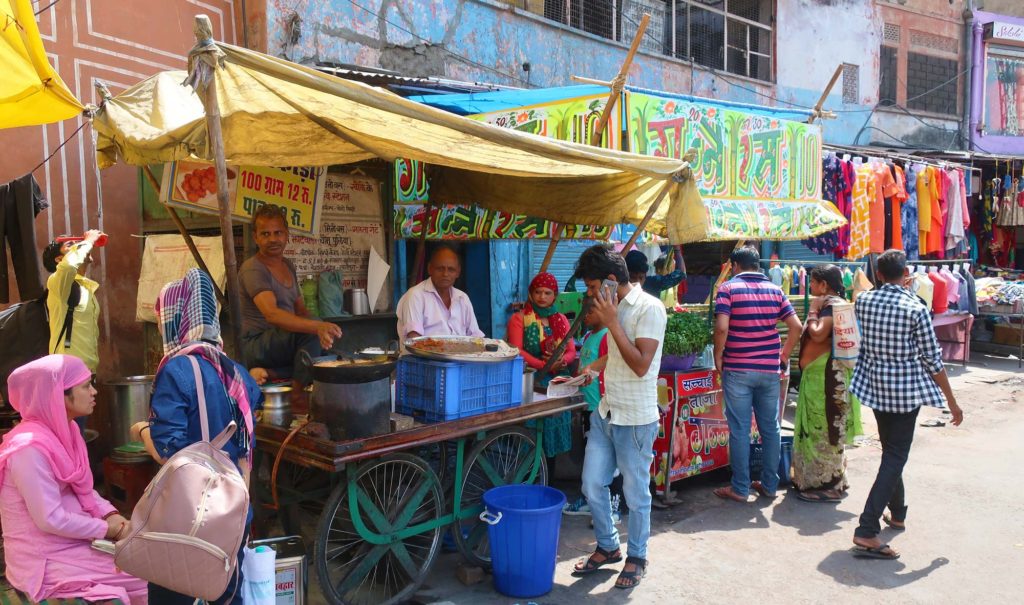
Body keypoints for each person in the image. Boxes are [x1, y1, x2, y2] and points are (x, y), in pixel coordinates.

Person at [131, 268, 263, 604]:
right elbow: (247, 448)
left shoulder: (176, 369)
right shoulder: (236, 372)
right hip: (232, 509)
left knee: (170, 590)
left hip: (188, 510)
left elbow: (168, 451)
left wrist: (142, 430)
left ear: (172, 322)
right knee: (226, 591)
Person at [0, 355, 146, 604]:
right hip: (44, 560)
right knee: (149, 580)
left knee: (156, 569)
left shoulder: (68, 431)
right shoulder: (28, 450)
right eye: (85, 386)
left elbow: (84, 490)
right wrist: (105, 529)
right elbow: (49, 519)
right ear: (59, 394)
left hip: (73, 544)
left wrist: (112, 516)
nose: (94, 392)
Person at [849, 249, 963, 560]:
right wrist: (951, 402)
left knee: (892, 453)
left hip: (875, 387)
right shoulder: (916, 308)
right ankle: (867, 529)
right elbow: (933, 360)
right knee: (896, 455)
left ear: (880, 275)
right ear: (907, 274)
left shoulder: (864, 301)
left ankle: (897, 513)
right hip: (904, 393)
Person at [571, 244, 665, 590]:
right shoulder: (614, 309)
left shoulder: (649, 308)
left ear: (611, 282)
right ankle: (609, 546)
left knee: (636, 493)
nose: (590, 296)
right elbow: (613, 358)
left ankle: (637, 556)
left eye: (593, 288)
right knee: (592, 484)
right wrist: (588, 371)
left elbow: (640, 365)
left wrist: (612, 323)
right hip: (606, 412)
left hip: (636, 419)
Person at [712, 246, 802, 503]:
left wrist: (719, 355)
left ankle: (740, 488)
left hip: (738, 367)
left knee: (740, 429)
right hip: (769, 369)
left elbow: (721, 327)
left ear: (735, 266)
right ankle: (770, 485)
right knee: (771, 428)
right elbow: (796, 326)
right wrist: (783, 356)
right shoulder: (776, 290)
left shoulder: (728, 289)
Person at [239, 205, 341, 386]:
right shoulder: (253, 268)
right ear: (255, 237)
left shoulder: (288, 265)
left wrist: (325, 331)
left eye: (278, 233)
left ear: (287, 235)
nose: (273, 239)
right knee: (310, 336)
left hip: (281, 344)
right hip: (256, 345)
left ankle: (269, 373)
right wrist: (316, 327)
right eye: (265, 234)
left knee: (329, 355)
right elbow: (272, 314)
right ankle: (298, 395)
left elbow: (301, 311)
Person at [792, 265, 863, 502]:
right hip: (820, 378)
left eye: (812, 282)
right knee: (821, 429)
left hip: (825, 381)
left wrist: (812, 311)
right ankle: (829, 479)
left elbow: (819, 334)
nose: (810, 286)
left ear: (824, 285)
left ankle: (827, 485)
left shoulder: (830, 305)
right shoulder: (835, 304)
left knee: (824, 431)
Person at [507, 271, 575, 465]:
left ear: (555, 295)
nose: (542, 297)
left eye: (547, 293)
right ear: (531, 294)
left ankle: (549, 481)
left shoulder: (560, 319)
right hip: (531, 382)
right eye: (538, 292)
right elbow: (517, 350)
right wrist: (543, 365)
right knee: (530, 437)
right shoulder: (519, 319)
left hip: (557, 385)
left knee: (551, 442)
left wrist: (562, 362)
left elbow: (570, 351)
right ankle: (528, 480)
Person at [42, 229, 104, 374]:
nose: (79, 245)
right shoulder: (57, 282)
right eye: (71, 245)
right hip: (67, 370)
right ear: (59, 259)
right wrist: (88, 241)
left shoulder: (84, 287)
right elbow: (69, 266)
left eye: (79, 243)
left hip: (87, 371)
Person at [396, 246, 483, 343]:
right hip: (424, 357)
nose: (445, 274)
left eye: (451, 269)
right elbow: (415, 341)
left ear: (458, 272)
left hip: (460, 356)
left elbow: (476, 338)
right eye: (440, 269)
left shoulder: (462, 298)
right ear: (430, 269)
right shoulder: (415, 296)